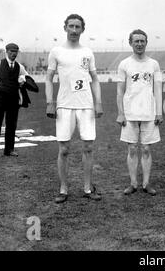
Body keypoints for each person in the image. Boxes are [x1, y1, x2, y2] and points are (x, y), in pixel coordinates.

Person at [45, 14, 103, 204]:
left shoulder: (87, 52)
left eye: (78, 27)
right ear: (65, 28)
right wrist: (49, 101)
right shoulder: (56, 52)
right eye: (71, 26)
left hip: (85, 106)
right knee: (64, 149)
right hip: (64, 105)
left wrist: (98, 102)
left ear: (82, 30)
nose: (74, 30)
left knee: (88, 147)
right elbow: (48, 78)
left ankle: (87, 188)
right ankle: (63, 189)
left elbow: (94, 79)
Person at [116, 29, 162, 196]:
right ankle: (133, 183)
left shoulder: (153, 64)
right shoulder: (124, 64)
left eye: (142, 41)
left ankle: (146, 183)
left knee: (147, 149)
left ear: (146, 42)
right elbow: (120, 92)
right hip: (130, 112)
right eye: (136, 41)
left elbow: (157, 89)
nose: (140, 44)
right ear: (131, 43)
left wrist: (159, 112)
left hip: (149, 112)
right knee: (132, 149)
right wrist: (121, 113)